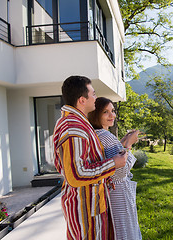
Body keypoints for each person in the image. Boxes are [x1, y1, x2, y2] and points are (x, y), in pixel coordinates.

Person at [53, 76, 127, 240]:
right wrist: (114, 163)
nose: (95, 97)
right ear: (82, 100)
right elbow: (77, 174)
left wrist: (105, 178)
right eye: (93, 94)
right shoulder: (74, 128)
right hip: (85, 207)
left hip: (90, 203)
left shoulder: (77, 122)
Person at [88, 97, 142, 240]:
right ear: (96, 114)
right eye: (106, 112)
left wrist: (122, 143)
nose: (112, 115)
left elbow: (114, 157)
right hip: (118, 193)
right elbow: (120, 171)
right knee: (125, 232)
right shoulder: (105, 135)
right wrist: (129, 144)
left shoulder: (96, 135)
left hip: (110, 192)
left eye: (112, 110)